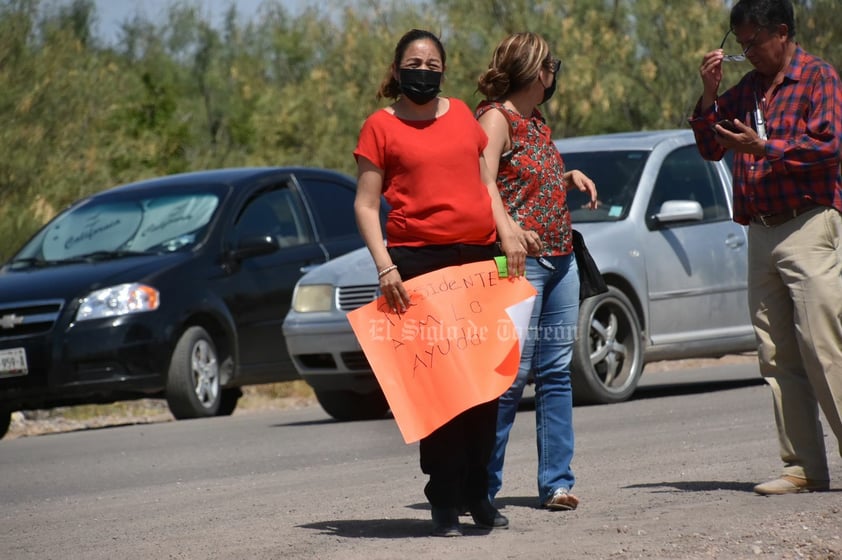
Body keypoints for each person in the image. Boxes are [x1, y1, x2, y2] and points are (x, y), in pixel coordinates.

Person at [353, 28, 527, 536]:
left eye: (432, 64)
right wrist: (386, 268)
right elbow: (366, 205)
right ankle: (444, 499)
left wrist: (508, 231)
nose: (423, 71)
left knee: (486, 386)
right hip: (418, 266)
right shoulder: (379, 127)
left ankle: (480, 494)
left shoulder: (465, 121)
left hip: (478, 261)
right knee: (440, 389)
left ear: (443, 71)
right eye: (414, 63)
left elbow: (485, 184)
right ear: (397, 68)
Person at [690, 0, 842, 495]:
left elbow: (830, 146)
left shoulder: (818, 78)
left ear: (782, 31)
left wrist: (766, 149)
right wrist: (709, 93)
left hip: (809, 224)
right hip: (760, 230)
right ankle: (803, 467)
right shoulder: (747, 90)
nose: (746, 52)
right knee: (776, 354)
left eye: (752, 42)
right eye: (739, 45)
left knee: (824, 347)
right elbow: (711, 145)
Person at [475, 32, 597, 511]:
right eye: (551, 65)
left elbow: (522, 178)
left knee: (555, 373)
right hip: (519, 263)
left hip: (561, 258)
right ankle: (482, 487)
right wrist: (506, 231)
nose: (554, 73)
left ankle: (557, 483)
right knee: (508, 379)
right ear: (532, 71)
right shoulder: (495, 117)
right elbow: (481, 179)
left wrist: (564, 178)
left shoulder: (536, 119)